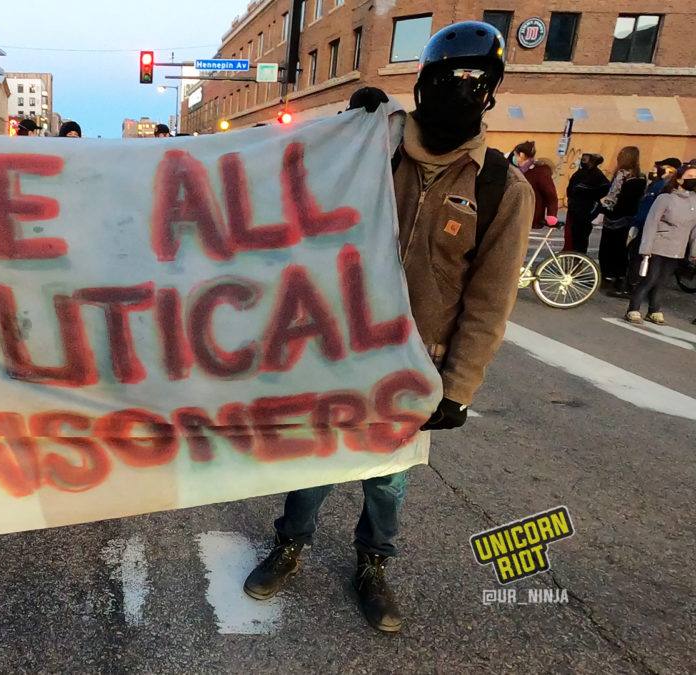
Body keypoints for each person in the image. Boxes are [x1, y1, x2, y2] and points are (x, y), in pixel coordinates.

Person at [243, 22, 533, 633]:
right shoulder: (372, 147)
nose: (461, 92)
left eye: (476, 83)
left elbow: (489, 299)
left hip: (413, 364)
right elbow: (281, 187)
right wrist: (345, 130)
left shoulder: (502, 188)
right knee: (315, 463)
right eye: (447, 79)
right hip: (337, 348)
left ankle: (373, 563)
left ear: (492, 93)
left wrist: (459, 387)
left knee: (387, 482)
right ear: (422, 85)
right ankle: (290, 544)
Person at [625, 164, 696, 325]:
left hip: (677, 248)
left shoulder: (695, 200)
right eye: (690, 177)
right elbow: (652, 222)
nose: (693, 180)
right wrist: (646, 248)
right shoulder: (665, 198)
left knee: (663, 280)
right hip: (658, 245)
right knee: (651, 278)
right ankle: (633, 308)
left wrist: (693, 251)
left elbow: (694, 229)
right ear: (679, 179)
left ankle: (654, 310)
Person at [615, 157, 684, 298]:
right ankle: (631, 286)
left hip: (649, 226)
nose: (654, 170)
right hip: (641, 223)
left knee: (638, 258)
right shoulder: (655, 184)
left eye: (659, 168)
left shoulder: (663, 187)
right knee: (633, 256)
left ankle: (633, 288)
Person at [597, 146, 648, 286]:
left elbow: (614, 194)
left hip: (615, 215)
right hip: (629, 216)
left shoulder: (622, 174)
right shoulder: (641, 176)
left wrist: (604, 206)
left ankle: (607, 276)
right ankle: (620, 276)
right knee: (621, 249)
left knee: (607, 247)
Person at [563, 153, 609, 254]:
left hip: (586, 213)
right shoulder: (578, 174)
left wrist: (596, 211)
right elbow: (570, 189)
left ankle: (577, 262)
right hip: (574, 211)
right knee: (571, 239)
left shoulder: (598, 176)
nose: (584, 162)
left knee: (580, 242)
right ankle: (571, 260)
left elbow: (605, 193)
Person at [513, 141, 559, 230]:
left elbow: (551, 195)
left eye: (515, 155)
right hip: (515, 216)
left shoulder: (540, 172)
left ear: (522, 155)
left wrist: (551, 215)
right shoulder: (515, 169)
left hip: (532, 216)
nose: (514, 157)